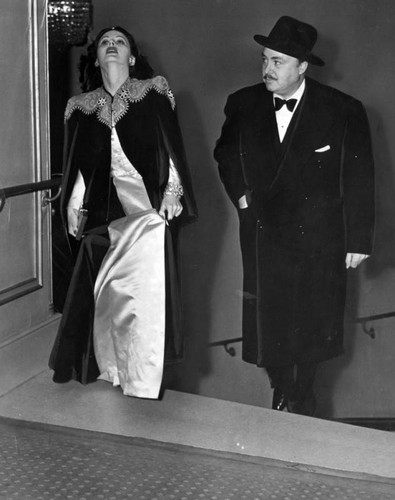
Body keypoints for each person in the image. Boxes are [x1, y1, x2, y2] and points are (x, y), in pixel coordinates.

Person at [214, 16, 374, 416]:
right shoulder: (242, 103)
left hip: (320, 236)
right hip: (265, 232)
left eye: (279, 62)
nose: (268, 69)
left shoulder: (342, 109)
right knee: (271, 320)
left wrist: (358, 239)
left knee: (315, 321)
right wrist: (243, 199)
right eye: (265, 59)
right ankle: (287, 393)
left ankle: (295, 396)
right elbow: (226, 155)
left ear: (302, 67)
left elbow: (359, 176)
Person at [49, 26, 197, 399]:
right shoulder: (80, 107)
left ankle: (140, 373)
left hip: (146, 206)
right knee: (98, 266)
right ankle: (108, 365)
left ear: (131, 58)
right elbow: (79, 166)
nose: (111, 47)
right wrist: (72, 202)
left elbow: (171, 148)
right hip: (104, 209)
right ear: (96, 58)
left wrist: (173, 191)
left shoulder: (153, 92)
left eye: (120, 43)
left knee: (144, 262)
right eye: (104, 43)